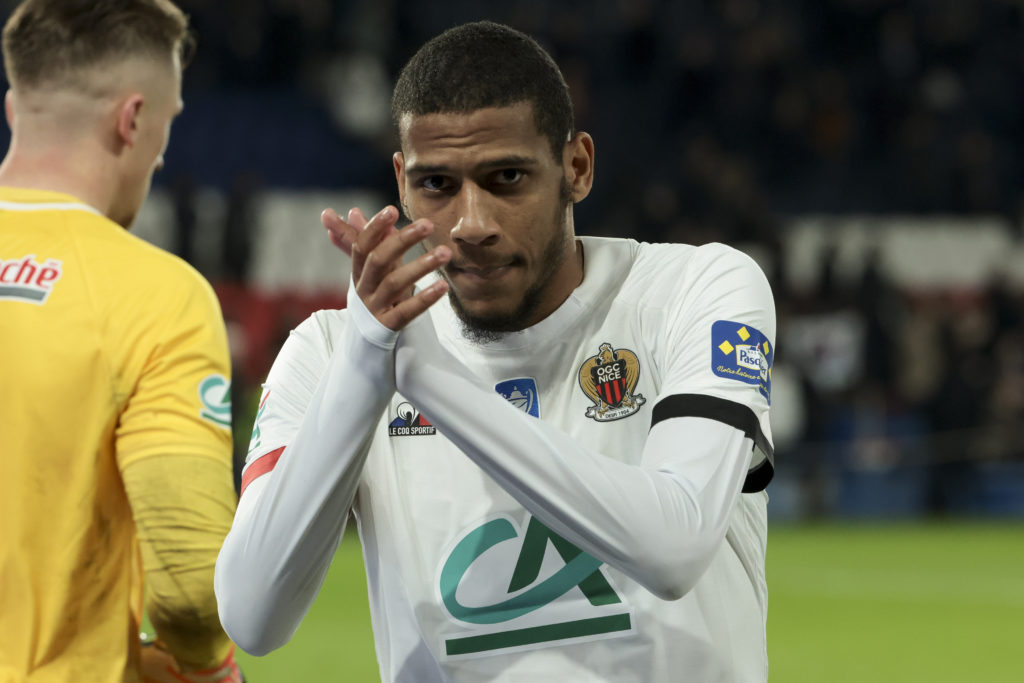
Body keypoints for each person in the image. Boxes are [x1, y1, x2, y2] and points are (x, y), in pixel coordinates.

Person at [216, 20, 776, 683]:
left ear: (577, 167)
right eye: (437, 186)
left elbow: (673, 546)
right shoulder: (336, 348)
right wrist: (366, 363)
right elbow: (252, 616)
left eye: (506, 177)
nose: (472, 223)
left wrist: (427, 379)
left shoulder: (694, 290)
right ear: (401, 180)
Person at [0, 1, 242, 681]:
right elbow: (190, 587)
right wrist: (208, 666)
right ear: (133, 120)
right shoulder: (157, 297)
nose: (161, 154)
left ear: (18, 110)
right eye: (166, 126)